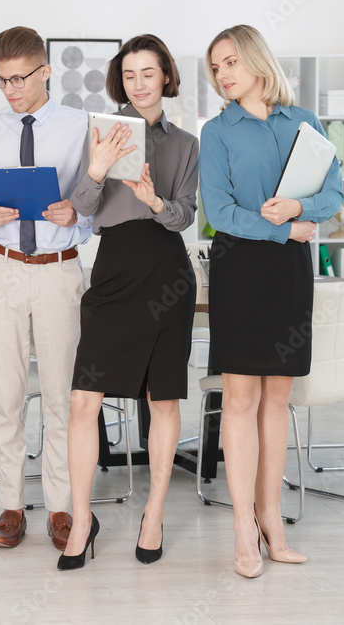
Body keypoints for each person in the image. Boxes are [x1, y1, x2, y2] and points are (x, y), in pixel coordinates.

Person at [200, 24, 344, 578]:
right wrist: (289, 228)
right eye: (216, 67)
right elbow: (221, 213)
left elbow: (334, 191)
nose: (224, 74)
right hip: (240, 268)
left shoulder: (304, 121)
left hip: (287, 274)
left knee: (276, 400)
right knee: (239, 398)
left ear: (258, 60)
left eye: (231, 62)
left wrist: (299, 209)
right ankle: (242, 527)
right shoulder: (217, 132)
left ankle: (272, 520)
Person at [60, 34, 199, 570]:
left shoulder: (186, 143)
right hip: (114, 270)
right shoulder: (98, 132)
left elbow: (186, 215)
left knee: (161, 399)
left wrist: (154, 201)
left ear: (165, 76)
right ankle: (80, 522)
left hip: (166, 270)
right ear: (121, 79)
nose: (140, 83)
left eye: (149, 72)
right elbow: (79, 208)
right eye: (131, 74)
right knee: (82, 400)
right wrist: (98, 166)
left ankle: (155, 515)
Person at [0, 26, 90, 552]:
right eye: (1, 79)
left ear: (45, 72)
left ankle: (62, 509)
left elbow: (98, 201)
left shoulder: (80, 127)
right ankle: (10, 508)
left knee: (62, 397)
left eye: (19, 79)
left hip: (60, 268)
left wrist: (77, 213)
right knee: (6, 395)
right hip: (4, 266)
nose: (10, 89)